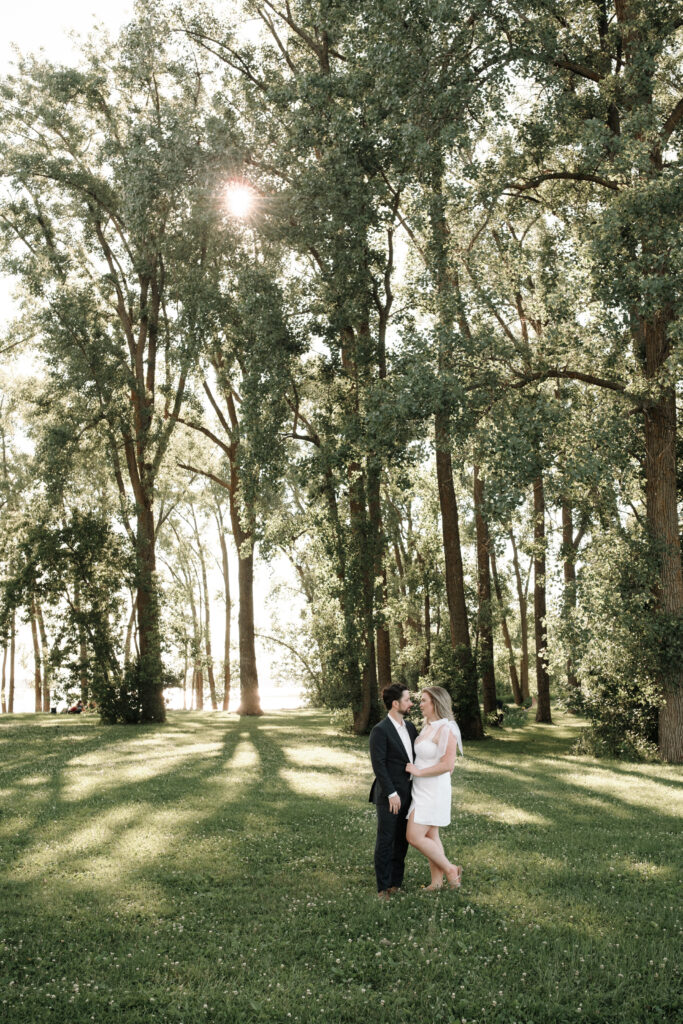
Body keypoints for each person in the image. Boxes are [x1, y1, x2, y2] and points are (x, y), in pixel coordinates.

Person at [405, 686, 463, 890]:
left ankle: (450, 869)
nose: (419, 704)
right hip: (421, 788)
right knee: (431, 835)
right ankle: (436, 882)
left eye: (423, 701)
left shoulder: (447, 729)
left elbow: (448, 766)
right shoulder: (428, 726)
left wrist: (419, 772)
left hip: (433, 789)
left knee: (414, 836)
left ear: (435, 703)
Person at [369, 684, 418, 901]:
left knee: (402, 840)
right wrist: (391, 793)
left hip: (409, 793)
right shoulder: (380, 730)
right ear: (395, 703)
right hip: (390, 796)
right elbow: (378, 764)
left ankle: (396, 883)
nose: (411, 703)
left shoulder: (410, 727)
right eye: (407, 699)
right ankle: (383, 888)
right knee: (386, 839)